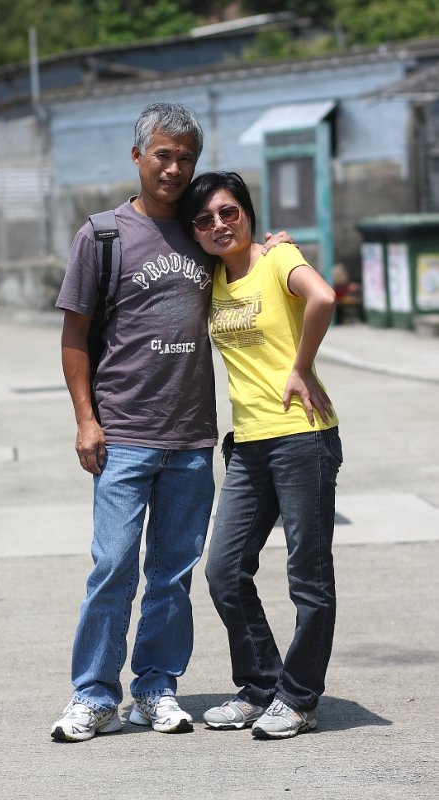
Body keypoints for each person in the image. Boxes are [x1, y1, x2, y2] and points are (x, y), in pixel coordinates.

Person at [51, 104, 290, 743]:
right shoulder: (102, 236)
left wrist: (273, 246)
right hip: (124, 434)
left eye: (186, 157)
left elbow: (247, 262)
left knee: (172, 575)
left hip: (190, 438)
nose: (174, 168)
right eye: (163, 154)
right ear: (138, 156)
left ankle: (155, 688)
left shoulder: (201, 229)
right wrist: (86, 420)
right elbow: (74, 337)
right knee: (112, 567)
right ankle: (93, 695)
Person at [178, 171, 343, 739]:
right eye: (205, 219)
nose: (219, 225)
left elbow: (323, 297)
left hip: (303, 436)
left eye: (229, 212)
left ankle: (298, 698)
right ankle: (260, 686)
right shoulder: (210, 278)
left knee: (308, 578)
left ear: (248, 212)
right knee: (224, 570)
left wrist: (301, 367)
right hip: (248, 443)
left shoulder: (278, 258)